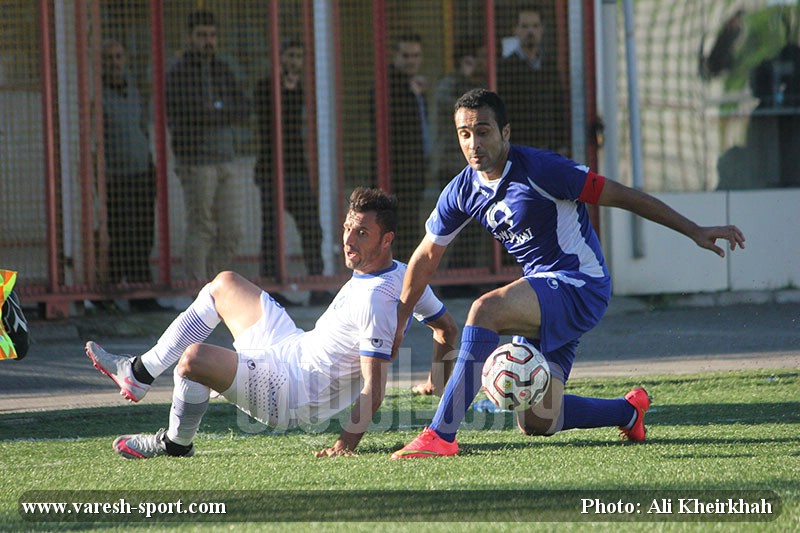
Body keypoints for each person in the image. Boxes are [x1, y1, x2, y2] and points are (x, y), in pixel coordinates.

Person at [390, 89, 745, 459]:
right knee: (537, 421)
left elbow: (622, 195)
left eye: (483, 131)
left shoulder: (542, 170)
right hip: (544, 293)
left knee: (485, 310)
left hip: (580, 283)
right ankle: (628, 411)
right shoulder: (463, 189)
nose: (474, 143)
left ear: (505, 132)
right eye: (465, 134)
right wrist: (400, 319)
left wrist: (695, 230)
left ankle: (440, 435)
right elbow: (425, 256)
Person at [86, 187, 458, 458]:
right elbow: (446, 329)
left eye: (361, 232)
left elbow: (373, 389)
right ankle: (140, 371)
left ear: (387, 239)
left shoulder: (376, 299)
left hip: (290, 393)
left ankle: (174, 443)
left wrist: (344, 444)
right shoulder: (403, 274)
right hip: (290, 347)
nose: (348, 239)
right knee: (224, 284)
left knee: (193, 360)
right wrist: (437, 392)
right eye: (347, 227)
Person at [165, 10, 250, 280]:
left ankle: (212, 290)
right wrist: (220, 111)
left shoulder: (223, 68)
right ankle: (195, 295)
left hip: (226, 158)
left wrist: (214, 111)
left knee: (233, 230)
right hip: (196, 161)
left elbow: (244, 108)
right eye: (202, 35)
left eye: (212, 35)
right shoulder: (178, 72)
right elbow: (190, 113)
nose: (208, 41)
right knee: (201, 228)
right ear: (189, 37)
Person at [254, 39, 325, 288]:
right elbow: (270, 125)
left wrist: (292, 91)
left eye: (298, 56)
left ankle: (316, 283)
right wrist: (284, 91)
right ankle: (271, 286)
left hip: (296, 168)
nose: (294, 62)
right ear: (279, 58)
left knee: (312, 227)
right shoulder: (265, 87)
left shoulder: (302, 89)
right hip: (271, 169)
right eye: (290, 56)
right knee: (272, 232)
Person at [100, 39, 164, 312]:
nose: (115, 62)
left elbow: (143, 129)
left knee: (143, 233)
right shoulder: (98, 94)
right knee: (120, 232)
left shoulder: (133, 90)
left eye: (118, 56)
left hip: (141, 171)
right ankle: (113, 292)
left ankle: (142, 293)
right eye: (109, 58)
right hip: (115, 175)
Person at [497, 4, 569, 154]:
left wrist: (561, 145)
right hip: (518, 150)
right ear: (515, 30)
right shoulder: (506, 68)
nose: (530, 31)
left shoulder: (549, 67)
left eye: (535, 26)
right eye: (524, 26)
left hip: (547, 149)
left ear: (542, 29)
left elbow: (559, 107)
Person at [387, 32, 430, 263]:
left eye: (415, 55)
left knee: (412, 224)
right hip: (397, 170)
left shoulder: (416, 85)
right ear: (396, 56)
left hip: (415, 168)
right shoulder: (389, 84)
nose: (411, 60)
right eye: (406, 55)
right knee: (400, 228)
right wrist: (409, 93)